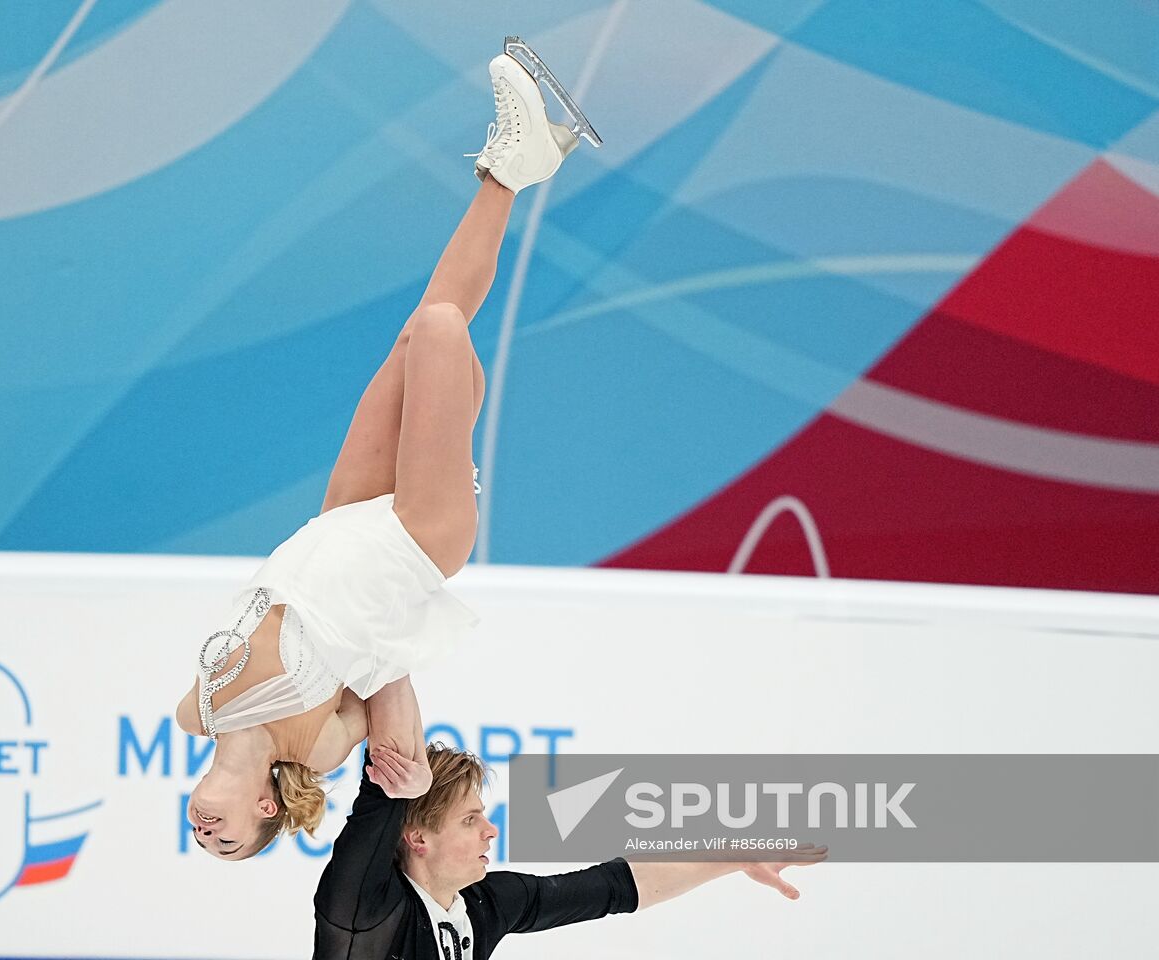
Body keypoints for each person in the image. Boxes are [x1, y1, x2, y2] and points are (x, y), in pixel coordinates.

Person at [174, 38, 599, 860]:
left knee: (422, 331)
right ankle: (512, 168)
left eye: (202, 842)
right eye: (231, 845)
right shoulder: (317, 749)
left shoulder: (192, 713)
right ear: (268, 806)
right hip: (410, 542)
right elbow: (385, 683)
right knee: (442, 330)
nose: (207, 839)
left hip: (334, 524)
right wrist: (398, 758)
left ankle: (517, 166)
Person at [314, 742, 828, 959]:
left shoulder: (484, 905)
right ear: (417, 837)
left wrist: (730, 856)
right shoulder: (364, 908)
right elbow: (379, 791)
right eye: (471, 820)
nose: (490, 832)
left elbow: (614, 887)